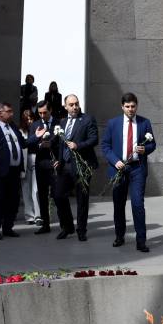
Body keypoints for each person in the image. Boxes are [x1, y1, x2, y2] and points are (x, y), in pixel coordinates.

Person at [102, 93, 156, 252]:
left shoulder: (144, 122)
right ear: (122, 107)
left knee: (138, 204)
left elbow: (153, 144)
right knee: (118, 204)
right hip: (118, 168)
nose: (130, 109)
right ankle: (120, 236)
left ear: (136, 106)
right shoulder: (113, 123)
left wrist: (144, 149)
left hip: (137, 168)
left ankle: (141, 240)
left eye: (133, 106)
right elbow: (105, 145)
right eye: (127, 106)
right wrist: (115, 161)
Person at [0, 103, 34, 240]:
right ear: (0, 113)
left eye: (12, 111)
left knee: (13, 201)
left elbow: (23, 143)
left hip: (14, 171)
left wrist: (37, 136)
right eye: (8, 111)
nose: (12, 113)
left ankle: (8, 227)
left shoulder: (13, 127)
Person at [53, 94, 99, 241]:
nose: (74, 107)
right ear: (65, 106)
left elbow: (94, 139)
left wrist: (78, 145)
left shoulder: (87, 119)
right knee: (58, 195)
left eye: (76, 104)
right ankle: (67, 227)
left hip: (82, 165)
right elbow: (60, 144)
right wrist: (58, 161)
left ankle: (81, 230)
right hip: (65, 165)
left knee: (82, 199)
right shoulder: (62, 122)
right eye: (71, 104)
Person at [26, 101, 61, 234]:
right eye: (40, 113)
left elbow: (63, 143)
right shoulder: (35, 124)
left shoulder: (59, 123)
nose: (42, 115)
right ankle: (45, 225)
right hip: (41, 165)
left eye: (44, 112)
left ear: (50, 110)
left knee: (58, 195)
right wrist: (38, 143)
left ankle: (64, 224)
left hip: (55, 164)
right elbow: (30, 144)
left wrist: (51, 144)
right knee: (42, 195)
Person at [19, 109, 41, 225]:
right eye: (27, 119)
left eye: (31, 118)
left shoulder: (37, 129)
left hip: (36, 159)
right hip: (24, 162)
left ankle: (38, 215)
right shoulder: (20, 131)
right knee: (26, 190)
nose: (29, 121)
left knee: (36, 189)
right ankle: (29, 216)